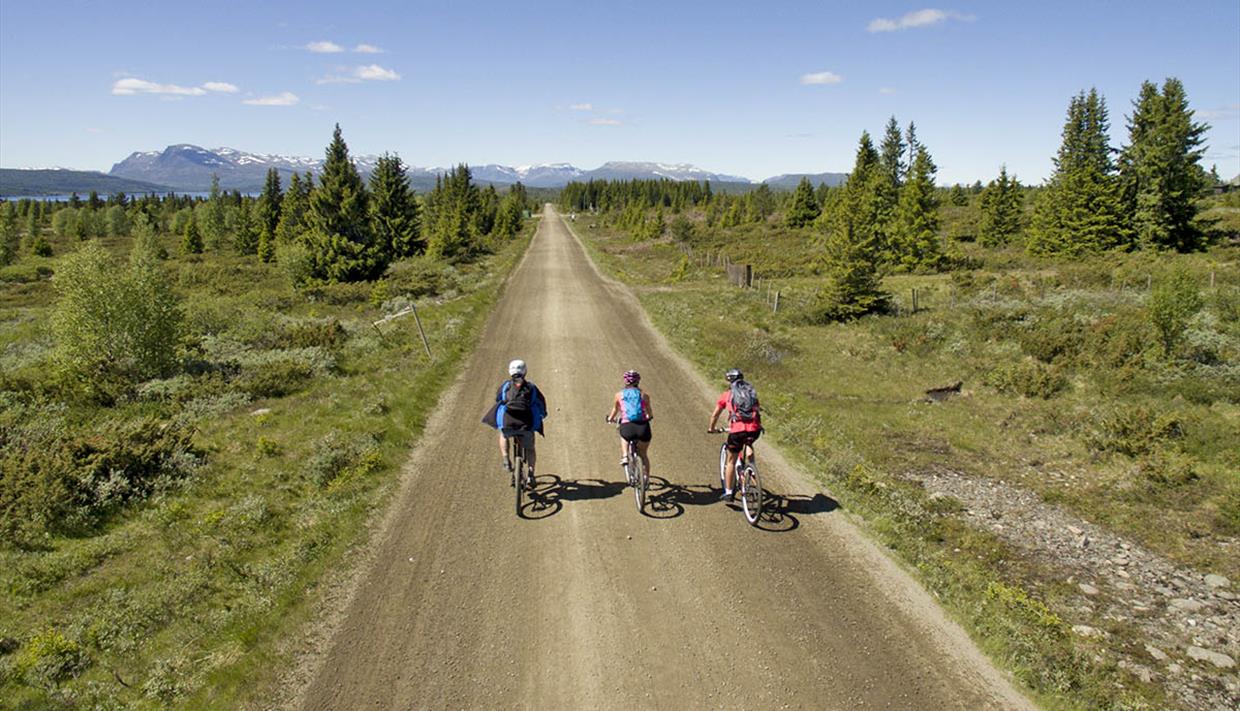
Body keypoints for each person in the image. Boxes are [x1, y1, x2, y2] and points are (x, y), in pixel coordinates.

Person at [481, 359, 547, 487]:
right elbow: (541, 404)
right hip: (526, 425)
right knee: (530, 449)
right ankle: (531, 474)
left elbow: (498, 399)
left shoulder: (505, 386)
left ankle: (506, 459)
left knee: (503, 435)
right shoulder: (532, 388)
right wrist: (542, 415)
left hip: (508, 424)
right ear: (525, 372)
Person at [707, 368, 762, 501]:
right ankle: (752, 468)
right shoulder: (751, 393)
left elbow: (715, 415)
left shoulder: (728, 395)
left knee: (731, 461)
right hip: (755, 430)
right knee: (748, 442)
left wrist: (711, 428)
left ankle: (728, 492)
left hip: (737, 431)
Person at [605, 369, 653, 478]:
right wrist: (648, 417)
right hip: (643, 428)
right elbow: (649, 412)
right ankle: (646, 479)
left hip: (628, 426)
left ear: (625, 381)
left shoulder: (619, 395)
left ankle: (625, 455)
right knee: (643, 454)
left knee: (623, 435)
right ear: (638, 381)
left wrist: (610, 419)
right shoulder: (644, 395)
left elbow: (615, 410)